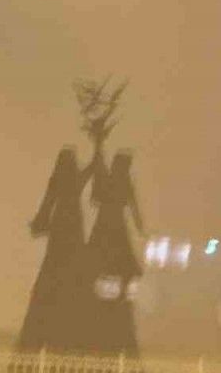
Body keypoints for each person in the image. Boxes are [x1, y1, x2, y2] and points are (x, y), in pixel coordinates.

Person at [18, 147, 92, 353]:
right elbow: (90, 169)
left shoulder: (61, 183)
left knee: (54, 280)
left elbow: (45, 209)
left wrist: (41, 224)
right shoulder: (73, 183)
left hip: (62, 238)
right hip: (69, 238)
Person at [85, 150, 144, 356]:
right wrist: (140, 227)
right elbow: (134, 209)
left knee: (113, 267)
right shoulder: (121, 183)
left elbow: (96, 199)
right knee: (120, 266)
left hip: (108, 228)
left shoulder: (113, 181)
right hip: (112, 229)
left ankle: (110, 298)